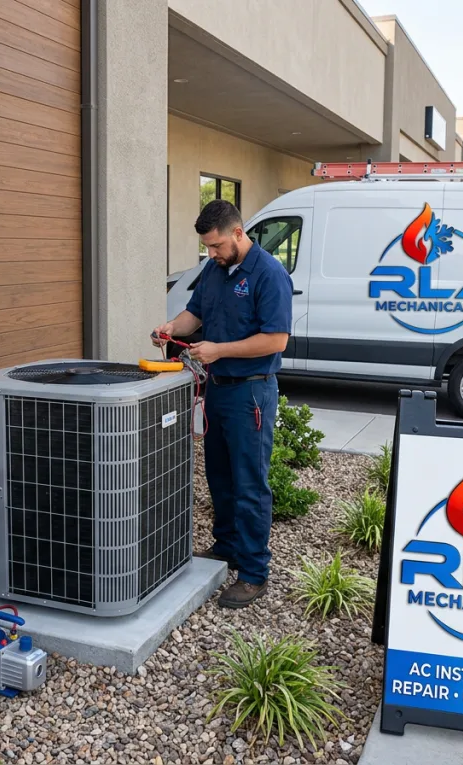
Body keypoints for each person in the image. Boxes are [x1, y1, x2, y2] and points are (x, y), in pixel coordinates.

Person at [154, 200, 292, 608]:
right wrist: (170, 327)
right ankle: (227, 547)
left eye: (215, 246)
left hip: (251, 392)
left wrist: (219, 350)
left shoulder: (268, 274)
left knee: (249, 482)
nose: (210, 254)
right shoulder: (214, 271)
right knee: (219, 475)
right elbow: (194, 315)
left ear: (237, 233)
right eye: (206, 248)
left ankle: (253, 572)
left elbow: (276, 339)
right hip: (217, 389)